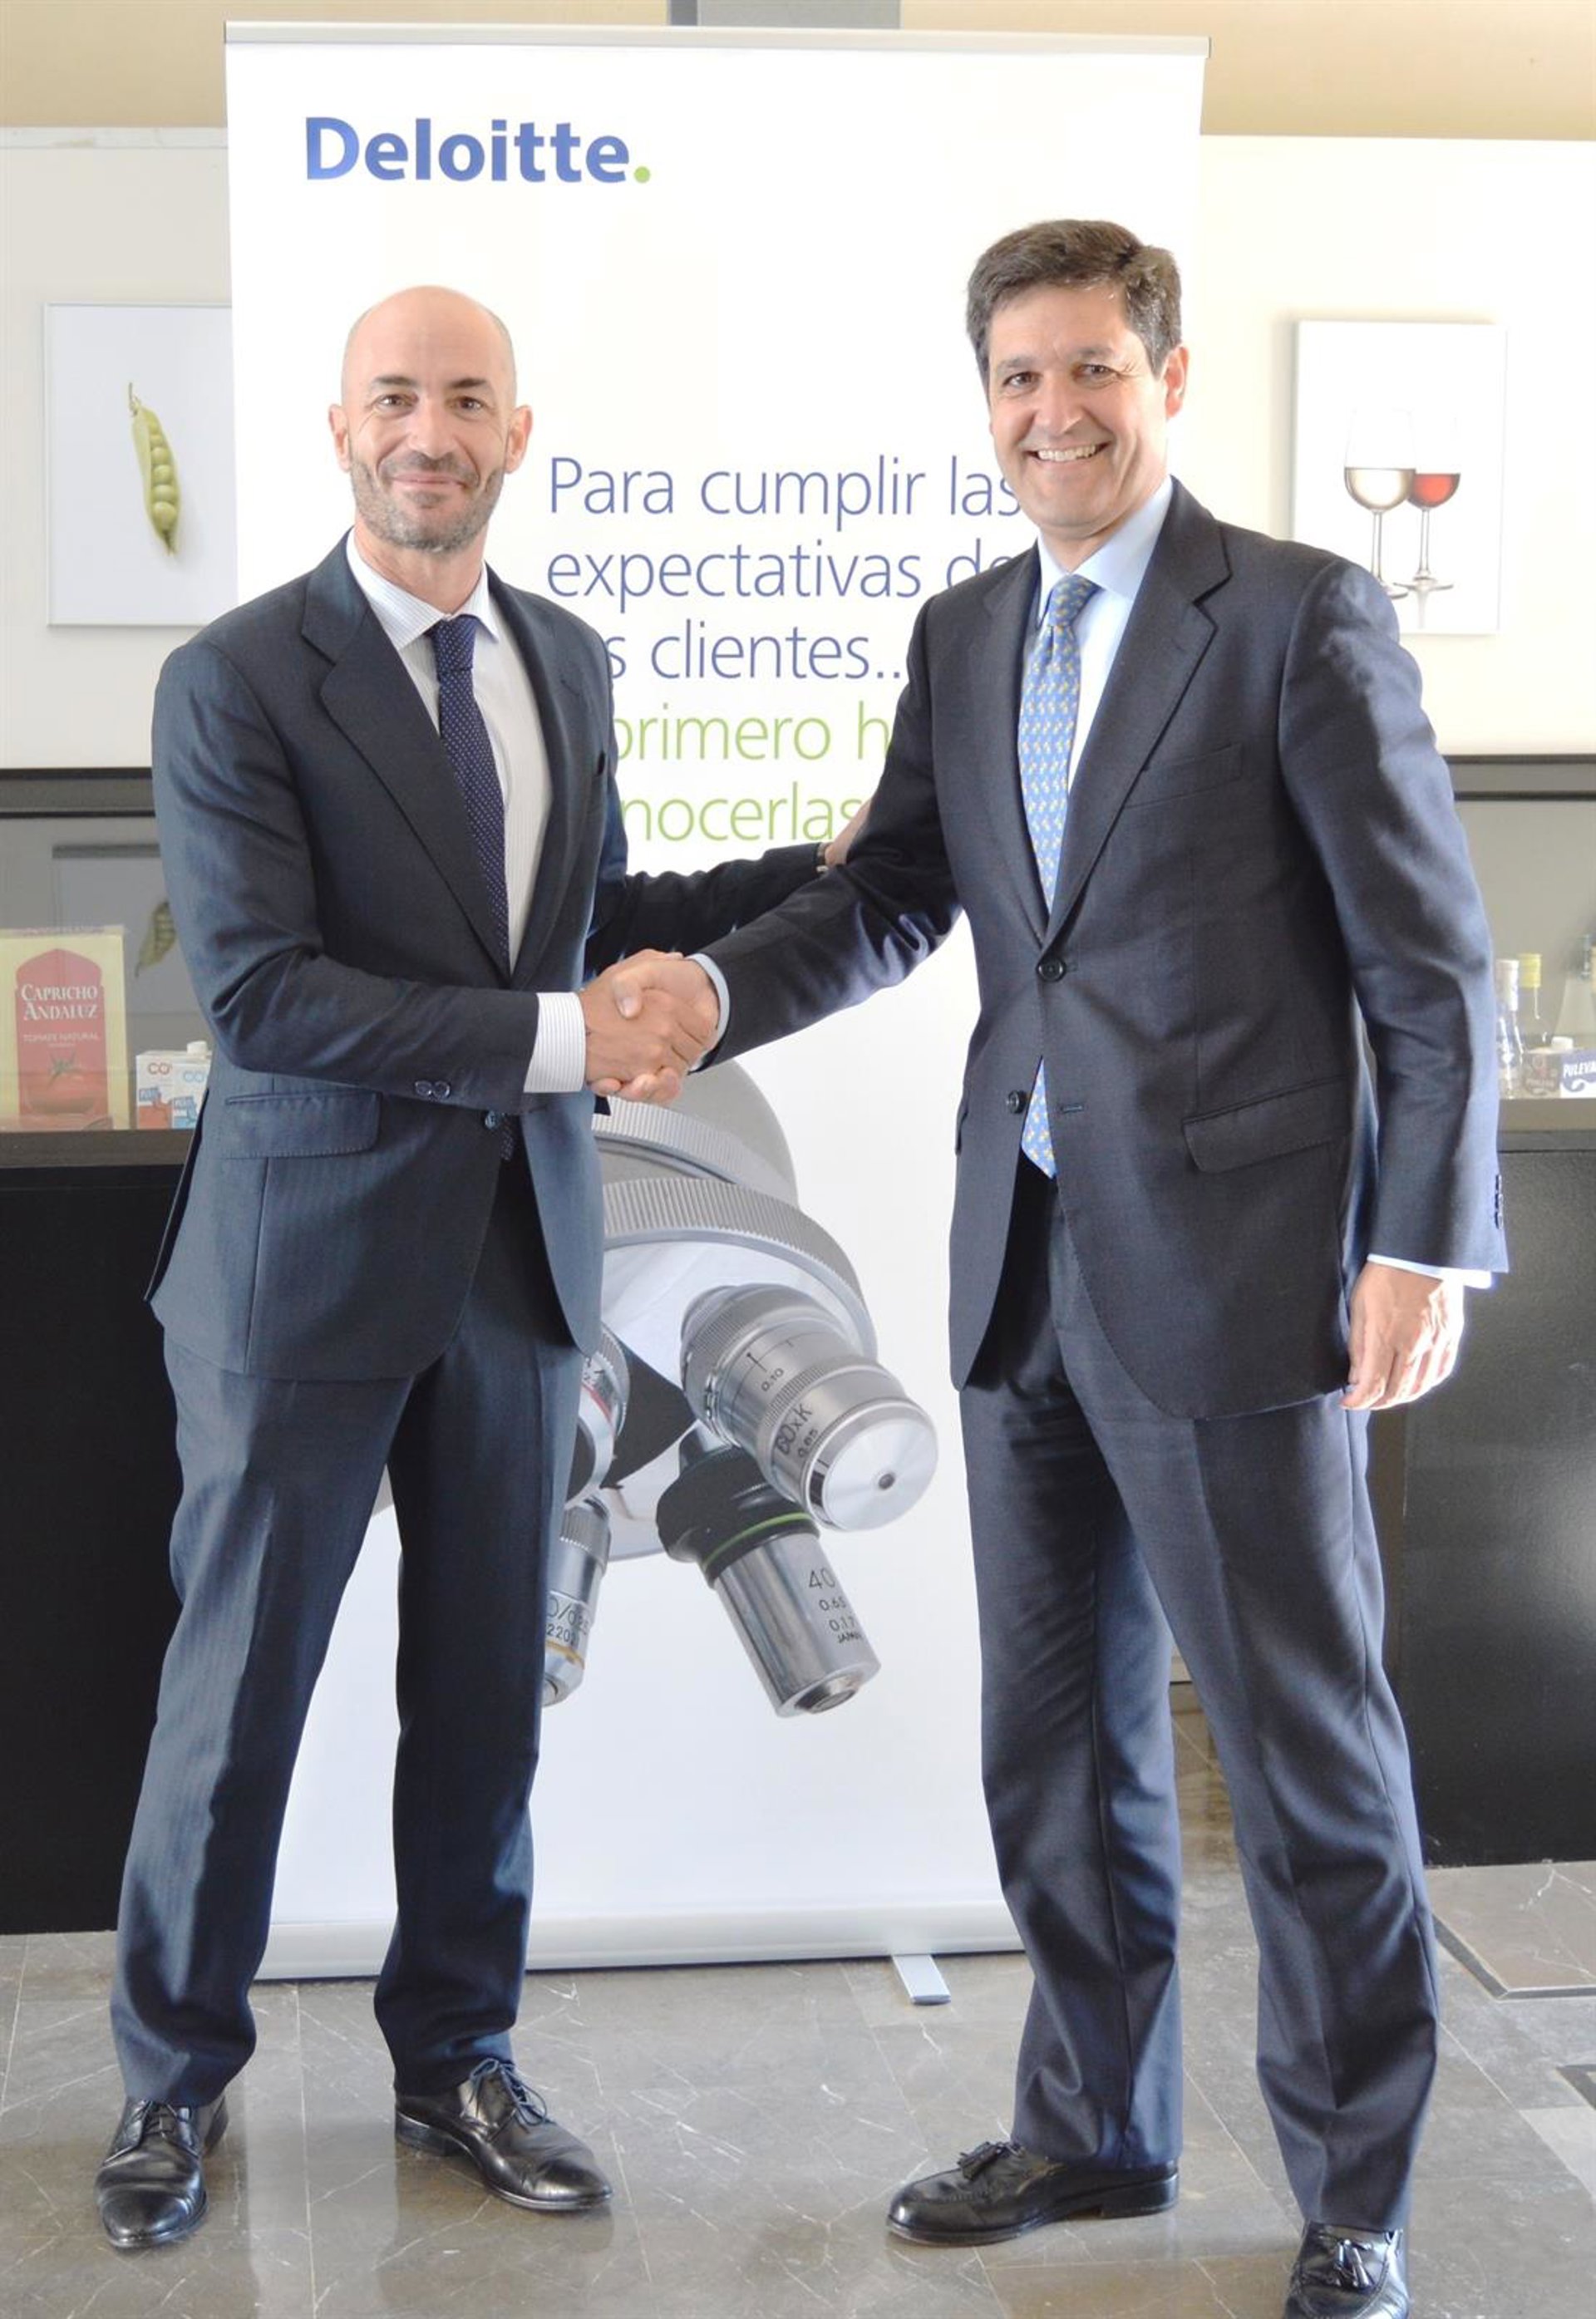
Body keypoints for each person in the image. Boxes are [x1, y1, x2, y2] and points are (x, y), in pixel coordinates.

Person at [613, 222, 1505, 2319]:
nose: (1054, 411)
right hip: (1021, 1261)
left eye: (1092, 367)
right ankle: (1096, 2123)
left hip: (1246, 1272)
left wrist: (1419, 1246)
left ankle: (1355, 2193)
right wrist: (715, 1002)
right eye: (1018, 376)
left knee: (1301, 1755)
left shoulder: (1294, 616)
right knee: (1057, 1745)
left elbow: (1429, 964)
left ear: (1165, 378)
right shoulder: (966, 631)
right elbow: (896, 894)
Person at [94, 284, 843, 2254]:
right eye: (396, 398)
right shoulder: (234, 680)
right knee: (235, 1704)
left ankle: (460, 2059)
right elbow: (266, 997)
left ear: (517, 433)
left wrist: (812, 875)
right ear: (341, 428)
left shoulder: (566, 661)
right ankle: (173, 2081)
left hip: (520, 1267)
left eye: (466, 400)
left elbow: (587, 921)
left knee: (487, 1697)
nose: (430, 432)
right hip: (301, 1276)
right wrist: (565, 1041)